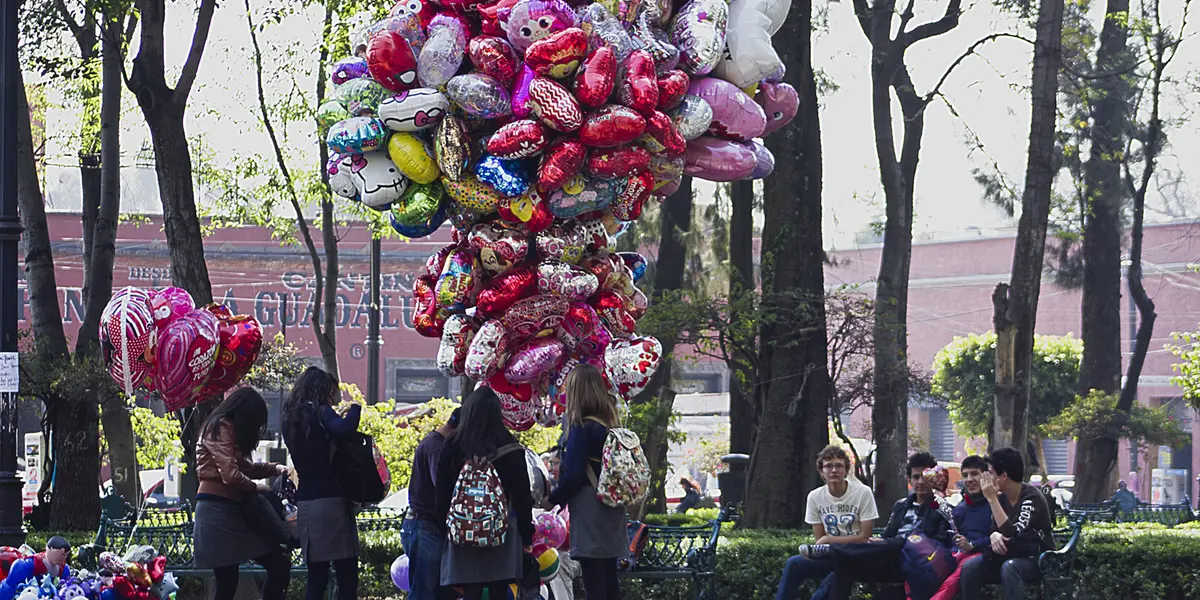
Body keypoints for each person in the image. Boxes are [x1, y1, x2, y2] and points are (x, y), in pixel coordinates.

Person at [435, 387, 535, 600]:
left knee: (471, 590)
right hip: (501, 534)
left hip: (463, 534)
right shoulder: (511, 447)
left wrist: (445, 530)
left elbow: (442, 494)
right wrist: (527, 536)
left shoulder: (453, 446)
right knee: (499, 589)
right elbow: (523, 498)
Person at [193, 387, 291, 600]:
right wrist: (257, 487)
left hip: (230, 508)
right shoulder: (220, 427)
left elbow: (245, 467)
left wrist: (274, 468)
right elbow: (230, 475)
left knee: (275, 565)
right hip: (217, 510)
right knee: (229, 580)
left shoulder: (228, 429)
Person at [823, 452, 955, 600]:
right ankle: (836, 553)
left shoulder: (941, 508)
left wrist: (894, 542)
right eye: (916, 477)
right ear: (909, 480)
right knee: (844, 567)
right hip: (891, 558)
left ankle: (832, 550)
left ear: (933, 479)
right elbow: (888, 535)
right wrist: (880, 542)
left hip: (916, 561)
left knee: (905, 541)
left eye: (925, 477)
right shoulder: (901, 505)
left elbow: (935, 544)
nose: (921, 482)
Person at [548, 364, 629, 600]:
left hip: (590, 508)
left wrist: (552, 499)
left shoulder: (581, 427)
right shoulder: (610, 425)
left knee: (594, 581)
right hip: (613, 508)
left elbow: (573, 475)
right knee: (609, 579)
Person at [282, 367, 363, 600]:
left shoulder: (290, 420)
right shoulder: (320, 412)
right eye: (331, 392)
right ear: (323, 390)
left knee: (316, 577)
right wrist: (355, 409)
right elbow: (344, 429)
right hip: (332, 501)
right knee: (347, 574)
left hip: (307, 504)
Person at [774, 445, 878, 600]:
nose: (834, 470)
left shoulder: (863, 493)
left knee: (836, 576)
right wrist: (828, 541)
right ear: (821, 472)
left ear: (846, 470)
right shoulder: (815, 497)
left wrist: (830, 539)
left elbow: (864, 537)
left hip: (857, 556)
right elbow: (820, 540)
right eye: (828, 466)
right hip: (831, 556)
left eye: (839, 466)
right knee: (793, 563)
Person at [958, 447, 1056, 600]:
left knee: (1010, 568)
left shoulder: (1031, 497)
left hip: (1037, 557)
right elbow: (995, 529)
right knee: (970, 567)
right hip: (1010, 554)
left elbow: (1013, 532)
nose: (986, 477)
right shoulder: (1002, 498)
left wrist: (991, 499)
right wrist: (994, 535)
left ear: (1003, 476)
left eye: (990, 473)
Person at [401, 408, 461, 600]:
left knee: (432, 590)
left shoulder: (433, 442)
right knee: (423, 592)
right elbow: (441, 485)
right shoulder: (437, 448)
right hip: (426, 526)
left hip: (424, 524)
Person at [930, 455, 996, 600]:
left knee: (958, 575)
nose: (969, 480)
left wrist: (972, 545)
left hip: (982, 556)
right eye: (965, 475)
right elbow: (947, 537)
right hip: (956, 555)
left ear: (986, 476)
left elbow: (998, 537)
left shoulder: (995, 505)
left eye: (974, 474)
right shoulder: (959, 508)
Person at [0, 536, 72, 600]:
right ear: (49, 549)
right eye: (61, 554)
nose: (62, 558)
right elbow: (7, 588)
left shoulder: (64, 569)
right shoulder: (26, 565)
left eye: (65, 555)